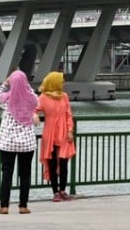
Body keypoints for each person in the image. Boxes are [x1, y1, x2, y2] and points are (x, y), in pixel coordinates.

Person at [0, 69, 39, 215]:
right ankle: (23, 206)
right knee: (25, 174)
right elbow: (36, 97)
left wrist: (5, 84)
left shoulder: (7, 99)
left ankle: (4, 206)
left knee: (7, 174)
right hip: (27, 143)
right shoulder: (31, 99)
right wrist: (27, 85)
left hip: (8, 142)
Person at [36, 71, 76, 201]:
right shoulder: (43, 97)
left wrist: (70, 130)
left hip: (64, 131)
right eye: (61, 81)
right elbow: (34, 109)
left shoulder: (64, 96)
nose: (63, 83)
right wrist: (35, 115)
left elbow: (68, 114)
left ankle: (63, 189)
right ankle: (55, 192)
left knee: (63, 161)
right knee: (52, 162)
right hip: (50, 131)